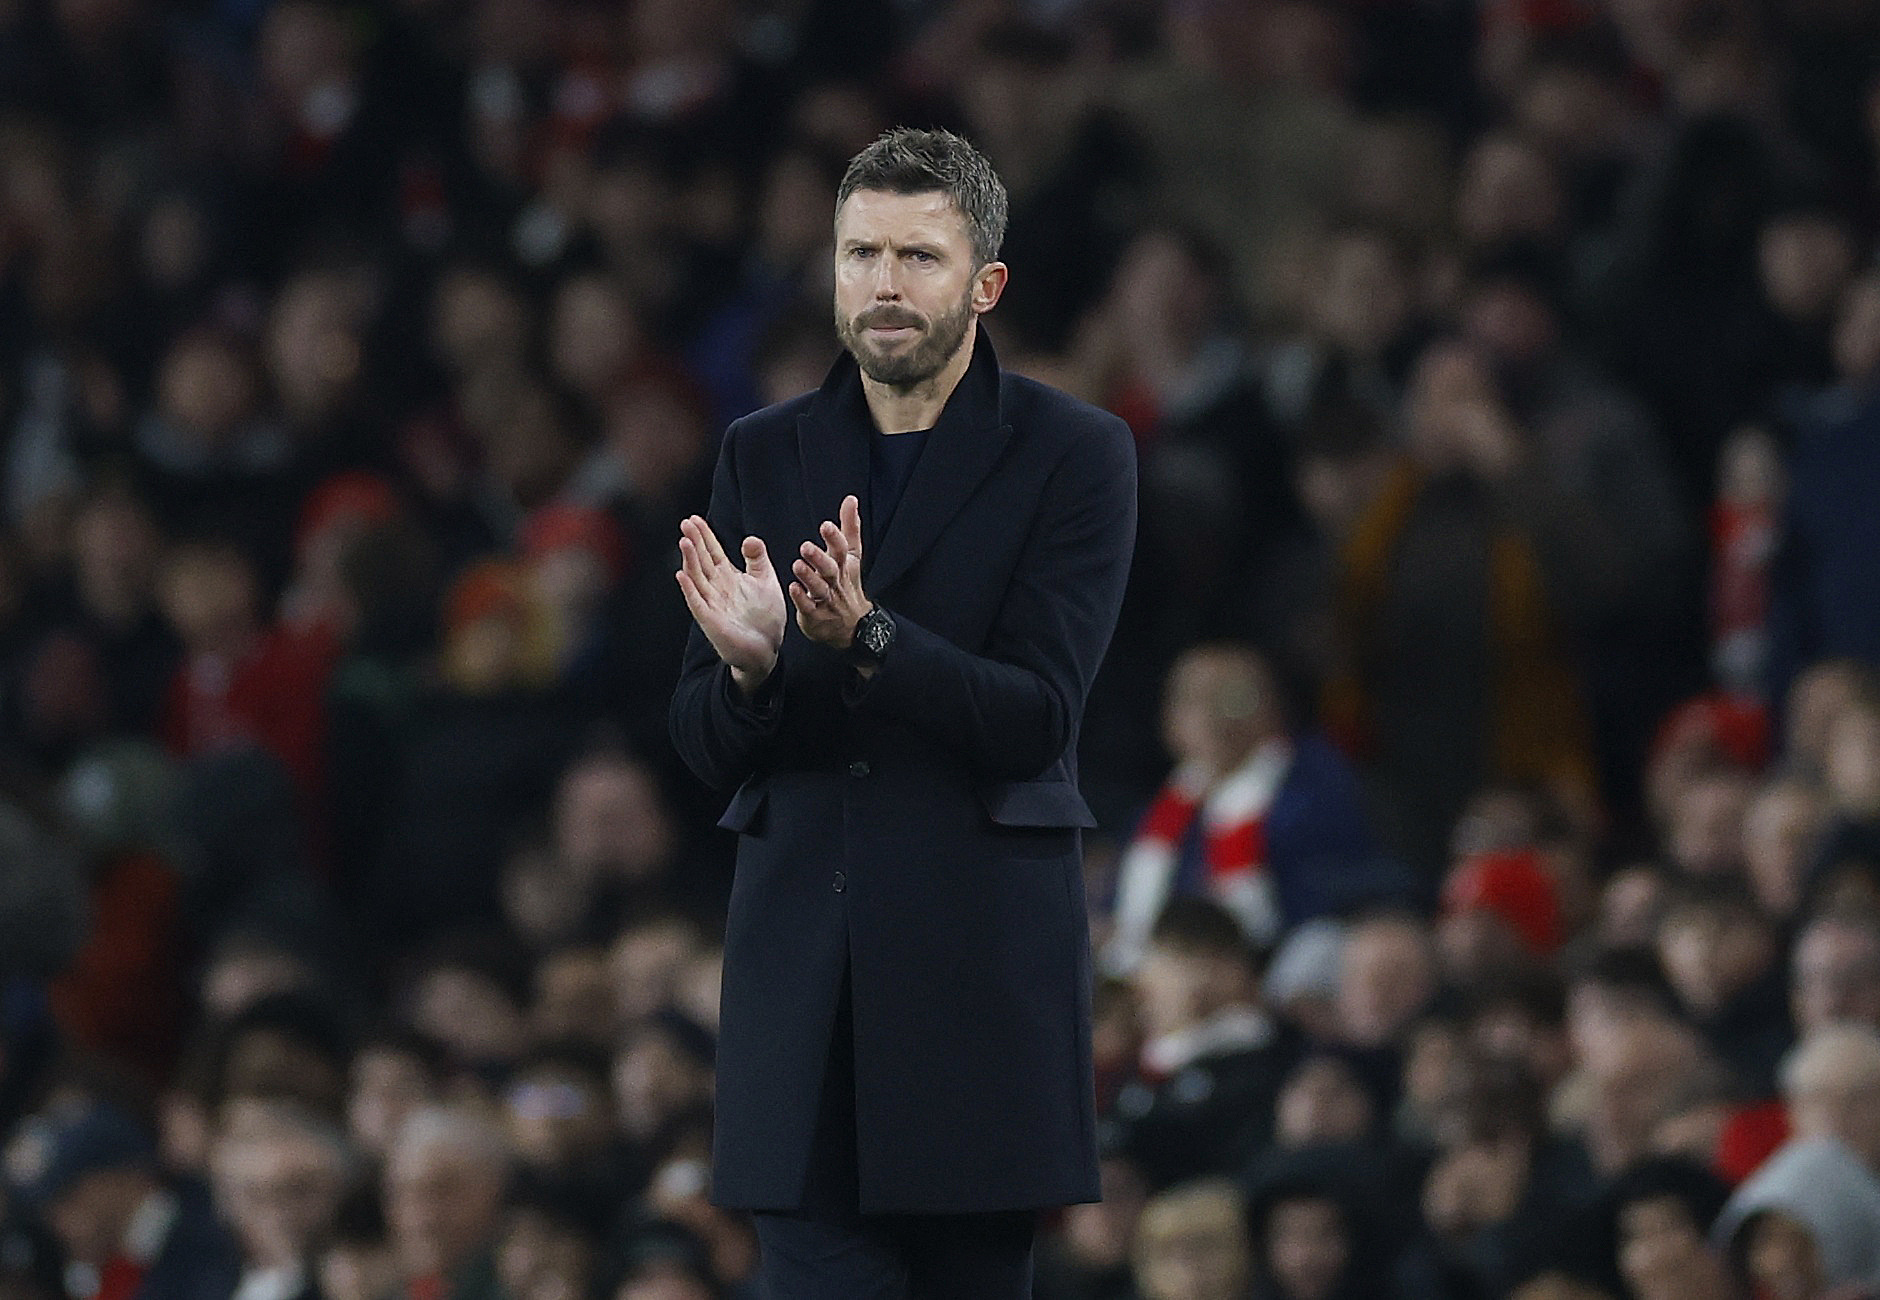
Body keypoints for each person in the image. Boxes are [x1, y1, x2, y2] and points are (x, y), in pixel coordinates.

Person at [667, 126, 1138, 1298]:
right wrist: (748, 673)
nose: (883, 284)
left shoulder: (1075, 455)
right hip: (799, 1000)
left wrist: (868, 637)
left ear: (985, 284)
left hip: (975, 992)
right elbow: (704, 746)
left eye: (918, 257)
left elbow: (1036, 718)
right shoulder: (760, 453)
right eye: (859, 253)